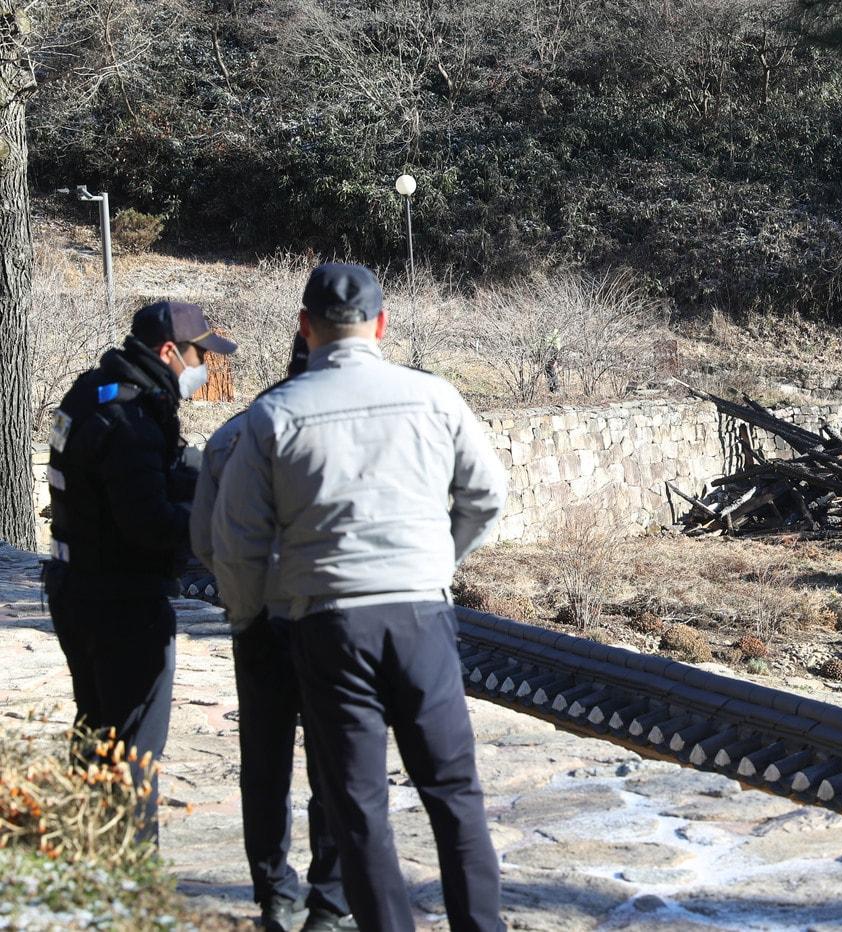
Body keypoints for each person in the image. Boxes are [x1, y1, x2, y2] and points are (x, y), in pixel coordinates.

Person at [210, 263, 509, 931]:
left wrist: (249, 613)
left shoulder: (272, 416)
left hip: (328, 624)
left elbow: (236, 542)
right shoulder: (435, 397)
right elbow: (488, 497)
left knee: (358, 804)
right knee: (455, 792)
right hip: (420, 617)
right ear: (381, 325)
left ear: (304, 328)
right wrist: (436, 561)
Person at [43, 300, 237, 843]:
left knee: (96, 735)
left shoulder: (96, 389)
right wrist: (218, 524)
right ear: (169, 351)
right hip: (122, 601)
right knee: (132, 750)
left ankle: (82, 860)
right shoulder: (128, 417)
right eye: (201, 354)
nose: (206, 367)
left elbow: (155, 470)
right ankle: (130, 881)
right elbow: (147, 523)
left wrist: (207, 471)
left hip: (77, 586)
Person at [190, 334, 353, 932]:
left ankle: (274, 894)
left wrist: (246, 608)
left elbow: (207, 540)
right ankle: (331, 902)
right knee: (335, 761)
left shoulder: (234, 432)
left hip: (259, 620)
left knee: (264, 763)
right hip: (333, 622)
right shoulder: (350, 432)